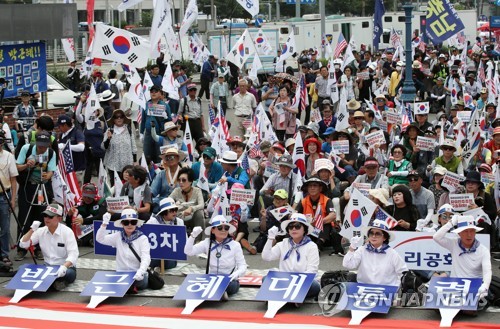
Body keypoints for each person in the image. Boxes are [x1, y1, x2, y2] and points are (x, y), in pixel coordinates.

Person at [433, 215, 491, 310]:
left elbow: (487, 271)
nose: (469, 235)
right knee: (434, 304)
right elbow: (436, 237)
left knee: (470, 309)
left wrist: (485, 286)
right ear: (459, 233)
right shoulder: (454, 244)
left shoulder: (483, 250)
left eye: (472, 231)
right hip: (455, 285)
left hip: (473, 286)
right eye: (465, 231)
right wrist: (451, 223)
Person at [15, 131, 56, 261]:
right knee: (24, 217)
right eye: (40, 146)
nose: (42, 148)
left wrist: (47, 176)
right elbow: (17, 167)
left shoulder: (50, 153)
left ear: (48, 144)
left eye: (44, 145)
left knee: (41, 216)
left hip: (42, 188)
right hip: (28, 186)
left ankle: (39, 248)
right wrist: (26, 165)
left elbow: (51, 171)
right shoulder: (26, 149)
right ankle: (21, 248)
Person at [185, 216, 248, 299]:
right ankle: (218, 292)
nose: (223, 230)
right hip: (211, 278)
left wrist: (236, 274)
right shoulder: (207, 243)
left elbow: (243, 265)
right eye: (220, 228)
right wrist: (192, 236)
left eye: (226, 228)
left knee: (232, 286)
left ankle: (217, 291)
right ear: (213, 230)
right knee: (194, 282)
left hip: (228, 279)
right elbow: (188, 251)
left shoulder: (235, 245)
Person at [19, 203, 79, 290]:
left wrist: (64, 266)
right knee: (22, 268)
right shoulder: (40, 231)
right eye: (45, 216)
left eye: (50, 217)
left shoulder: (67, 232)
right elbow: (23, 244)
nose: (46, 219)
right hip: (47, 267)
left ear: (59, 218)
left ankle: (57, 282)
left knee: (69, 273)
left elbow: (74, 254)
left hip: (64, 267)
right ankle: (54, 283)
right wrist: (32, 230)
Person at [262, 213, 321, 299]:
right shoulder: (283, 243)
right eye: (290, 226)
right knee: (265, 278)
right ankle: (295, 296)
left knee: (315, 286)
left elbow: (312, 271)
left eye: (297, 226)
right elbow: (266, 257)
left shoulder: (311, 246)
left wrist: (295, 281)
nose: (293, 229)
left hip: (302, 281)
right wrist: (270, 238)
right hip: (285, 280)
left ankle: (284, 295)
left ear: (304, 229)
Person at [97, 209, 151, 293]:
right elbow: (100, 239)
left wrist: (141, 271)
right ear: (122, 224)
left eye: (133, 222)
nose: (129, 225)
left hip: (137, 275)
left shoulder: (142, 238)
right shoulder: (118, 236)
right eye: (126, 222)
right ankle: (127, 287)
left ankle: (129, 287)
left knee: (141, 282)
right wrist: (104, 224)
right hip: (121, 274)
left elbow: (146, 257)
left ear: (136, 223)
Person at [343, 219, 408, 287]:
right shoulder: (362, 250)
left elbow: (403, 272)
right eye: (371, 233)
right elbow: (347, 265)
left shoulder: (392, 253)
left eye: (378, 234)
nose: (374, 236)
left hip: (386, 291)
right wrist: (352, 248)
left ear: (384, 238)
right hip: (364, 289)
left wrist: (396, 288)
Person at [296, 176, 337, 252]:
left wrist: (319, 221)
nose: (312, 188)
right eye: (310, 186)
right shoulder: (303, 201)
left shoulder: (327, 200)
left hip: (324, 233)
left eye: (315, 185)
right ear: (307, 189)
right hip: (308, 229)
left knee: (326, 223)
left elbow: (333, 215)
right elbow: (295, 215)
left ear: (320, 188)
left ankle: (318, 246)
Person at [147, 197, 185, 270]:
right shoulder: (152, 222)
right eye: (171, 210)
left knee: (169, 264)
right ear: (164, 212)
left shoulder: (179, 222)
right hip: (155, 254)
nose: (174, 213)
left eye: (175, 210)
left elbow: (184, 242)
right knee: (151, 261)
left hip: (171, 255)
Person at [102, 109, 137, 185]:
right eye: (116, 117)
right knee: (115, 185)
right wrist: (108, 139)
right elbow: (104, 147)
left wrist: (135, 161)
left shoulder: (128, 129)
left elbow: (133, 146)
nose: (119, 119)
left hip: (127, 164)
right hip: (113, 165)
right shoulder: (109, 130)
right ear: (113, 119)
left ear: (124, 118)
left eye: (121, 117)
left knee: (128, 184)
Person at [168, 168, 205, 238]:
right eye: (179, 180)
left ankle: (198, 241)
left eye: (184, 180)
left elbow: (201, 205)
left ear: (191, 181)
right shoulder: (176, 191)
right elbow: (168, 201)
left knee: (199, 213)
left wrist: (191, 208)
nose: (181, 182)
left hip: (193, 218)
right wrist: (175, 206)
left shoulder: (197, 191)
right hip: (179, 218)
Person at [140, 85, 172, 163]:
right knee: (147, 155)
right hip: (148, 134)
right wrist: (141, 133)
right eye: (151, 91)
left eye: (155, 91)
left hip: (160, 134)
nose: (153, 93)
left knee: (159, 155)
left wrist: (166, 117)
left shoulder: (165, 105)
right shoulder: (146, 104)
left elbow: (170, 121)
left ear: (159, 93)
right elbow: (143, 120)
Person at [0, 133, 18, 265]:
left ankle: (4, 254)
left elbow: (13, 179)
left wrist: (13, 198)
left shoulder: (9, 156)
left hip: (3, 195)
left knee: (5, 228)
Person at [151, 147, 185, 212]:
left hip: (179, 202)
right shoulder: (161, 174)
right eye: (167, 158)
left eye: (171, 157)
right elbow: (153, 191)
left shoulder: (185, 173)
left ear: (178, 159)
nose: (169, 159)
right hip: (163, 202)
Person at [57, 114, 86, 186]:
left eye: (59, 126)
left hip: (77, 168)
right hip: (66, 168)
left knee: (77, 188)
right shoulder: (62, 135)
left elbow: (81, 147)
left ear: (65, 125)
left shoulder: (77, 132)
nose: (58, 128)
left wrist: (66, 146)